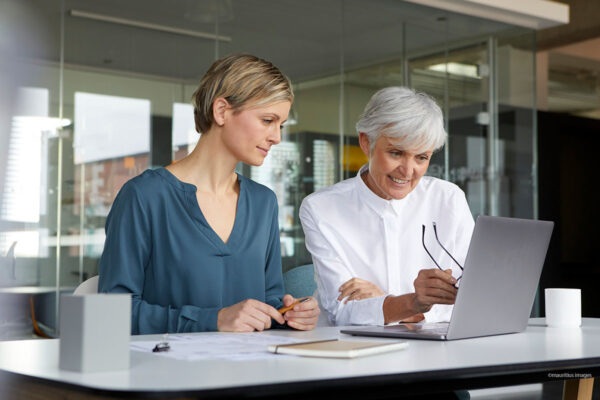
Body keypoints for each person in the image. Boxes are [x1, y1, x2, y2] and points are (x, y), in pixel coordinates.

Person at [99, 54, 320, 334]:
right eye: (267, 120)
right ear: (221, 111)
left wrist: (289, 315)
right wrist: (211, 320)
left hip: (253, 372)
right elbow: (112, 313)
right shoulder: (144, 196)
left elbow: (270, 302)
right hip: (168, 373)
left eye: (281, 125)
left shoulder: (263, 203)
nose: (276, 136)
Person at [299, 86, 474, 326]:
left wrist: (385, 302)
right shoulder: (321, 208)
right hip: (357, 353)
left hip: (434, 349)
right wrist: (412, 303)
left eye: (421, 157)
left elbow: (472, 299)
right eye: (396, 153)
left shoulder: (448, 199)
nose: (408, 170)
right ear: (365, 142)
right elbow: (342, 312)